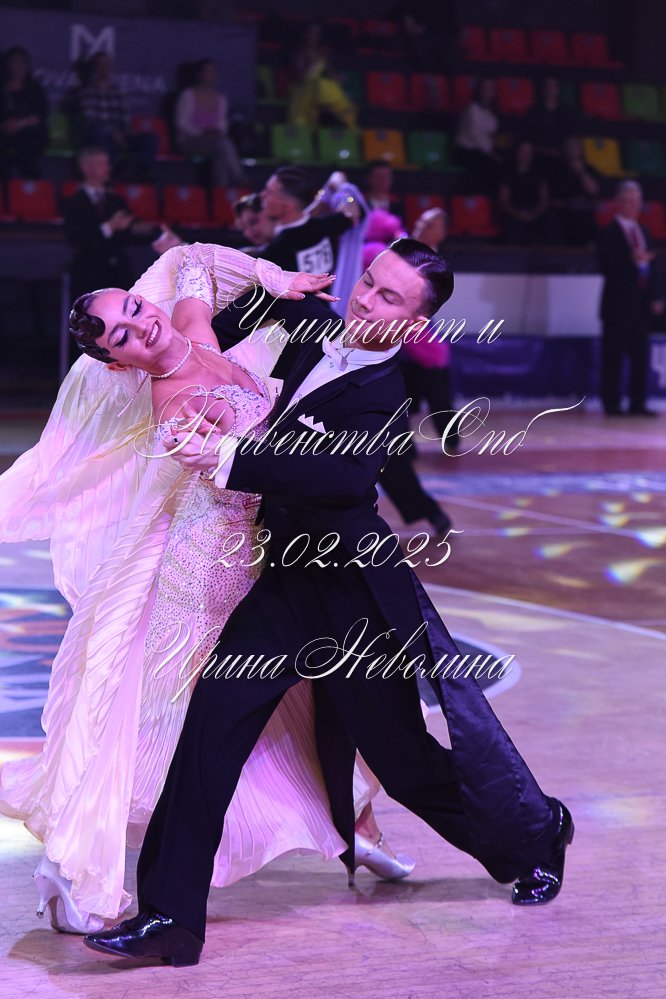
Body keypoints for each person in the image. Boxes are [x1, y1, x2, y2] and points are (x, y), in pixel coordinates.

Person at [84, 238, 574, 966]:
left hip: (353, 598)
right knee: (209, 730)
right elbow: (209, 331)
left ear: (415, 323)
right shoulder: (315, 332)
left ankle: (535, 834)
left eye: (388, 297)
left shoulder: (388, 391)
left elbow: (341, 478)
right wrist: (269, 282)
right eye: (368, 281)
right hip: (286, 585)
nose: (366, 300)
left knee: (404, 763)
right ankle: (171, 918)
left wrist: (229, 457)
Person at [0, 244, 409, 935]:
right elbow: (251, 468)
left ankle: (359, 825)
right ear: (117, 363)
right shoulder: (178, 404)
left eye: (135, 308)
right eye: (123, 335)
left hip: (255, 556)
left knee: (315, 695)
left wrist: (272, 276)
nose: (142, 324)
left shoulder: (193, 331)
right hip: (208, 575)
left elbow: (190, 260)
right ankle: (76, 859)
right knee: (167, 724)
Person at [597, 180, 663, 416]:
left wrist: (656, 297)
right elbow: (605, 266)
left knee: (640, 357)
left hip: (640, 305)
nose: (632, 206)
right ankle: (612, 403)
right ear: (618, 203)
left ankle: (638, 403)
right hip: (617, 304)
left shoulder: (644, 232)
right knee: (613, 356)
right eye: (627, 201)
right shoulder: (608, 233)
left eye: (636, 202)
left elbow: (653, 268)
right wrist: (630, 261)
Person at [63, 147, 158, 304]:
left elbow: (126, 234)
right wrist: (109, 227)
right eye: (102, 164)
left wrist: (131, 228)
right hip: (89, 274)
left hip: (119, 274)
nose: (108, 168)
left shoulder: (116, 201)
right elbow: (77, 239)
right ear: (86, 168)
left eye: (107, 164)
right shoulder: (74, 203)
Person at [75, 52, 156, 180]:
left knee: (150, 138)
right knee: (98, 132)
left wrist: (126, 133)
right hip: (100, 136)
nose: (104, 68)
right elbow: (91, 119)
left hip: (120, 135)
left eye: (107, 65)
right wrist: (113, 133)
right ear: (95, 68)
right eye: (100, 65)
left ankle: (142, 171)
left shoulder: (118, 91)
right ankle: (113, 169)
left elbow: (125, 118)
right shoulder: (87, 91)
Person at [174, 59, 245, 188]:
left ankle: (220, 191)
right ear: (199, 74)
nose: (211, 74)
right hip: (189, 141)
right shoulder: (188, 95)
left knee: (221, 153)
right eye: (207, 71)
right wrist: (202, 133)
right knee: (223, 145)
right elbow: (182, 123)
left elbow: (223, 125)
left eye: (213, 71)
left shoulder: (221, 98)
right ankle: (240, 179)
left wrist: (216, 132)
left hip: (214, 143)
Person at [286, 22, 357, 129]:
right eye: (312, 33)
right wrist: (312, 65)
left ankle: (348, 123)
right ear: (305, 35)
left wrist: (338, 78)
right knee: (321, 86)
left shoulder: (322, 53)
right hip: (302, 92)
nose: (315, 37)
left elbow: (331, 74)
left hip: (318, 94)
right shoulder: (299, 52)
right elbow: (299, 78)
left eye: (318, 34)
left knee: (330, 88)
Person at [0, 45, 49, 180]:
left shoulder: (34, 88)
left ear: (27, 65)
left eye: (21, 62)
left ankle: (31, 187)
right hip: (3, 132)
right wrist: (4, 126)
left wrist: (20, 124)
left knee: (28, 145)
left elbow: (39, 116)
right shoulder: (2, 88)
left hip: (29, 132)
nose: (17, 66)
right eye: (13, 62)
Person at [497, 140, 551, 245]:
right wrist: (519, 215)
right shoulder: (507, 173)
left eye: (529, 152)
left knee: (550, 224)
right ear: (517, 152)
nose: (526, 154)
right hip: (514, 212)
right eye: (523, 151)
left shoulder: (539, 172)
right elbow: (504, 201)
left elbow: (545, 198)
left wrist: (535, 213)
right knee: (511, 228)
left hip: (536, 211)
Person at [550, 137, 600, 247]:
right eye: (570, 146)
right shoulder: (557, 171)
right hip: (563, 215)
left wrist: (581, 172)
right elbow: (553, 202)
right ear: (565, 150)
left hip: (585, 215)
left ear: (581, 150)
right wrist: (570, 203)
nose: (573, 149)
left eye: (575, 146)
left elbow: (593, 191)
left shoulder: (590, 170)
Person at [455, 78, 501, 195]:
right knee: (486, 165)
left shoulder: (493, 112)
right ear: (479, 90)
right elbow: (476, 135)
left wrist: (492, 152)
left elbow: (491, 134)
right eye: (486, 88)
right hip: (467, 150)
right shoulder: (472, 109)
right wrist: (491, 154)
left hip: (483, 151)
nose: (489, 91)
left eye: (491, 88)